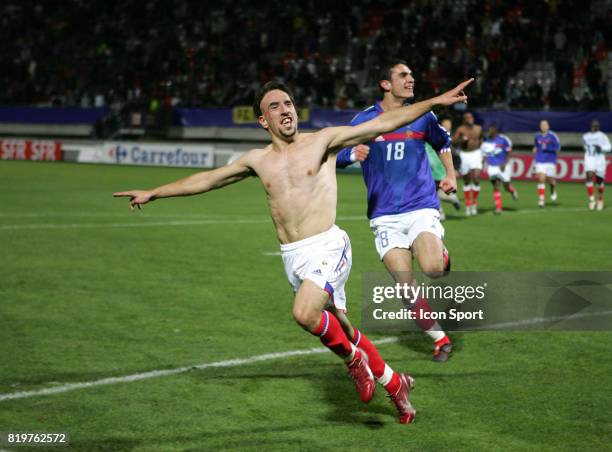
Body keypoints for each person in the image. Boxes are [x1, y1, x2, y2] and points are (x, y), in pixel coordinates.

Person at [114, 79, 473, 423]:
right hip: (294, 257)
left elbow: (387, 120)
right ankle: (396, 385)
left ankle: (354, 362)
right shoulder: (257, 160)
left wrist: (434, 102)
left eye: (288, 103)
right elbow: (207, 180)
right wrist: (154, 192)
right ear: (262, 119)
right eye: (275, 106)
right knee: (342, 327)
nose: (285, 110)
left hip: (329, 246)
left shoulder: (323, 141)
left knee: (304, 313)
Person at [336, 61, 457, 362]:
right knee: (405, 283)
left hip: (420, 207)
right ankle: (440, 339)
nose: (411, 80)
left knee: (431, 269)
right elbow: (335, 153)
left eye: (412, 75)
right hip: (384, 215)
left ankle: (441, 257)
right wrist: (352, 153)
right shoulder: (365, 120)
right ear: (385, 84)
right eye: (404, 75)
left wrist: (451, 174)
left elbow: (443, 142)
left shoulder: (422, 116)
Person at [481, 123, 518, 214]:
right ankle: (498, 208)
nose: (489, 132)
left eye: (491, 130)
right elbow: (485, 155)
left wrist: (505, 163)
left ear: (495, 131)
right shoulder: (486, 143)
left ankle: (512, 190)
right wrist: (484, 163)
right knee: (496, 185)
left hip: (503, 165)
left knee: (506, 185)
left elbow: (509, 152)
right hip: (492, 166)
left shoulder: (504, 140)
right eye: (488, 130)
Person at [452, 112, 483, 216]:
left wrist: (482, 153)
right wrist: (461, 139)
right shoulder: (461, 129)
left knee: (476, 178)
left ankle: (473, 203)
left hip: (476, 154)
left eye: (471, 117)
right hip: (464, 155)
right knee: (466, 180)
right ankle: (468, 203)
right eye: (468, 118)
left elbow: (482, 139)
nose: (470, 119)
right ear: (464, 119)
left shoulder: (478, 128)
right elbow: (453, 141)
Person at [583, 119, 611, 210]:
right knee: (589, 175)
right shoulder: (585, 136)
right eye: (594, 125)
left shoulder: (602, 136)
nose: (596, 126)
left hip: (600, 160)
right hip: (589, 158)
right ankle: (591, 200)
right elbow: (585, 147)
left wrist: (601, 148)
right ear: (591, 126)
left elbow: (609, 147)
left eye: (597, 125)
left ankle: (600, 198)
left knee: (599, 181)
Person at [532, 119, 561, 208]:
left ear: (548, 126)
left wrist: (549, 149)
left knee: (550, 180)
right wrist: (535, 149)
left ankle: (552, 189)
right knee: (541, 178)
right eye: (541, 125)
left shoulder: (553, 136)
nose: (543, 126)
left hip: (550, 160)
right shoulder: (537, 136)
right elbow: (536, 145)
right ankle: (541, 200)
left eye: (545, 125)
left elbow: (558, 147)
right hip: (540, 160)